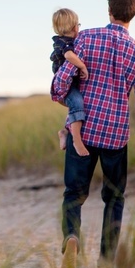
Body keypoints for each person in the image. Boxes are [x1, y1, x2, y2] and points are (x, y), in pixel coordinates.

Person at [51, 0, 135, 268]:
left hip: (84, 130)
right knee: (114, 198)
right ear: (132, 15)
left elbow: (61, 82)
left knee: (73, 194)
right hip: (115, 135)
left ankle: (72, 238)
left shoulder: (86, 38)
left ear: (109, 11)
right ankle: (106, 260)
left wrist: (63, 93)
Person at [50, 8, 90, 157]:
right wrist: (82, 65)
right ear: (75, 27)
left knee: (76, 107)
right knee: (77, 103)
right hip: (65, 86)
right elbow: (69, 56)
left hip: (70, 83)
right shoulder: (64, 43)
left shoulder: (68, 41)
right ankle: (77, 141)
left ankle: (65, 132)